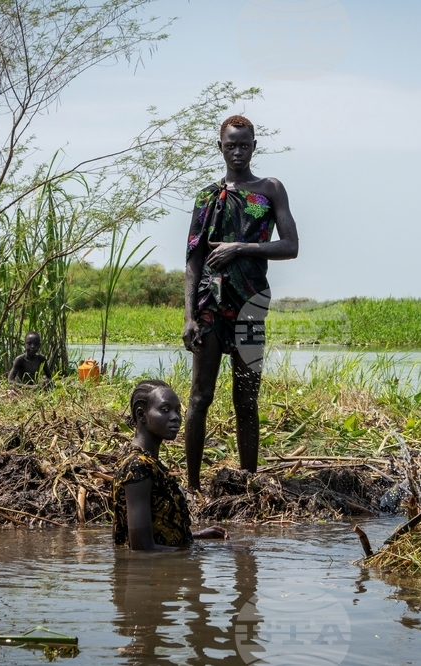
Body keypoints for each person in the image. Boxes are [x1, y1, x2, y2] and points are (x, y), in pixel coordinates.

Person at [182, 115, 300, 490]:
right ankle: (194, 487)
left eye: (244, 144)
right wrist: (188, 317)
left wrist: (239, 248)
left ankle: (249, 484)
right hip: (209, 302)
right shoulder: (206, 196)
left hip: (251, 302)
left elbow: (291, 246)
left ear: (254, 145)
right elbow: (192, 259)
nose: (237, 150)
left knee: (246, 398)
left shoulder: (270, 189)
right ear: (220, 147)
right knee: (201, 396)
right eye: (230, 144)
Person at [113, 380, 228, 550]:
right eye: (165, 410)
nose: (175, 417)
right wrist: (207, 551)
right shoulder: (137, 466)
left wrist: (194, 536)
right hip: (150, 576)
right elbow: (141, 549)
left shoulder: (145, 461)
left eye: (177, 410)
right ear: (141, 415)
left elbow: (150, 535)